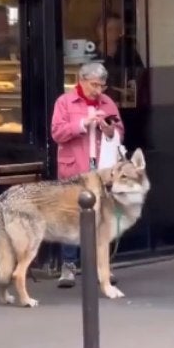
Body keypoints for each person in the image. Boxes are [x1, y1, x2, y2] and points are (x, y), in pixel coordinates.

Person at [50, 61, 124, 288]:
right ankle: (69, 266)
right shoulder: (64, 102)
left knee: (103, 218)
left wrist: (110, 130)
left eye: (102, 86)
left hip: (102, 170)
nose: (98, 90)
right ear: (81, 80)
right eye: (94, 85)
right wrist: (82, 124)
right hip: (75, 167)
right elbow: (57, 133)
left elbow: (120, 131)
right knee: (70, 216)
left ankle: (102, 267)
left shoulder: (108, 103)